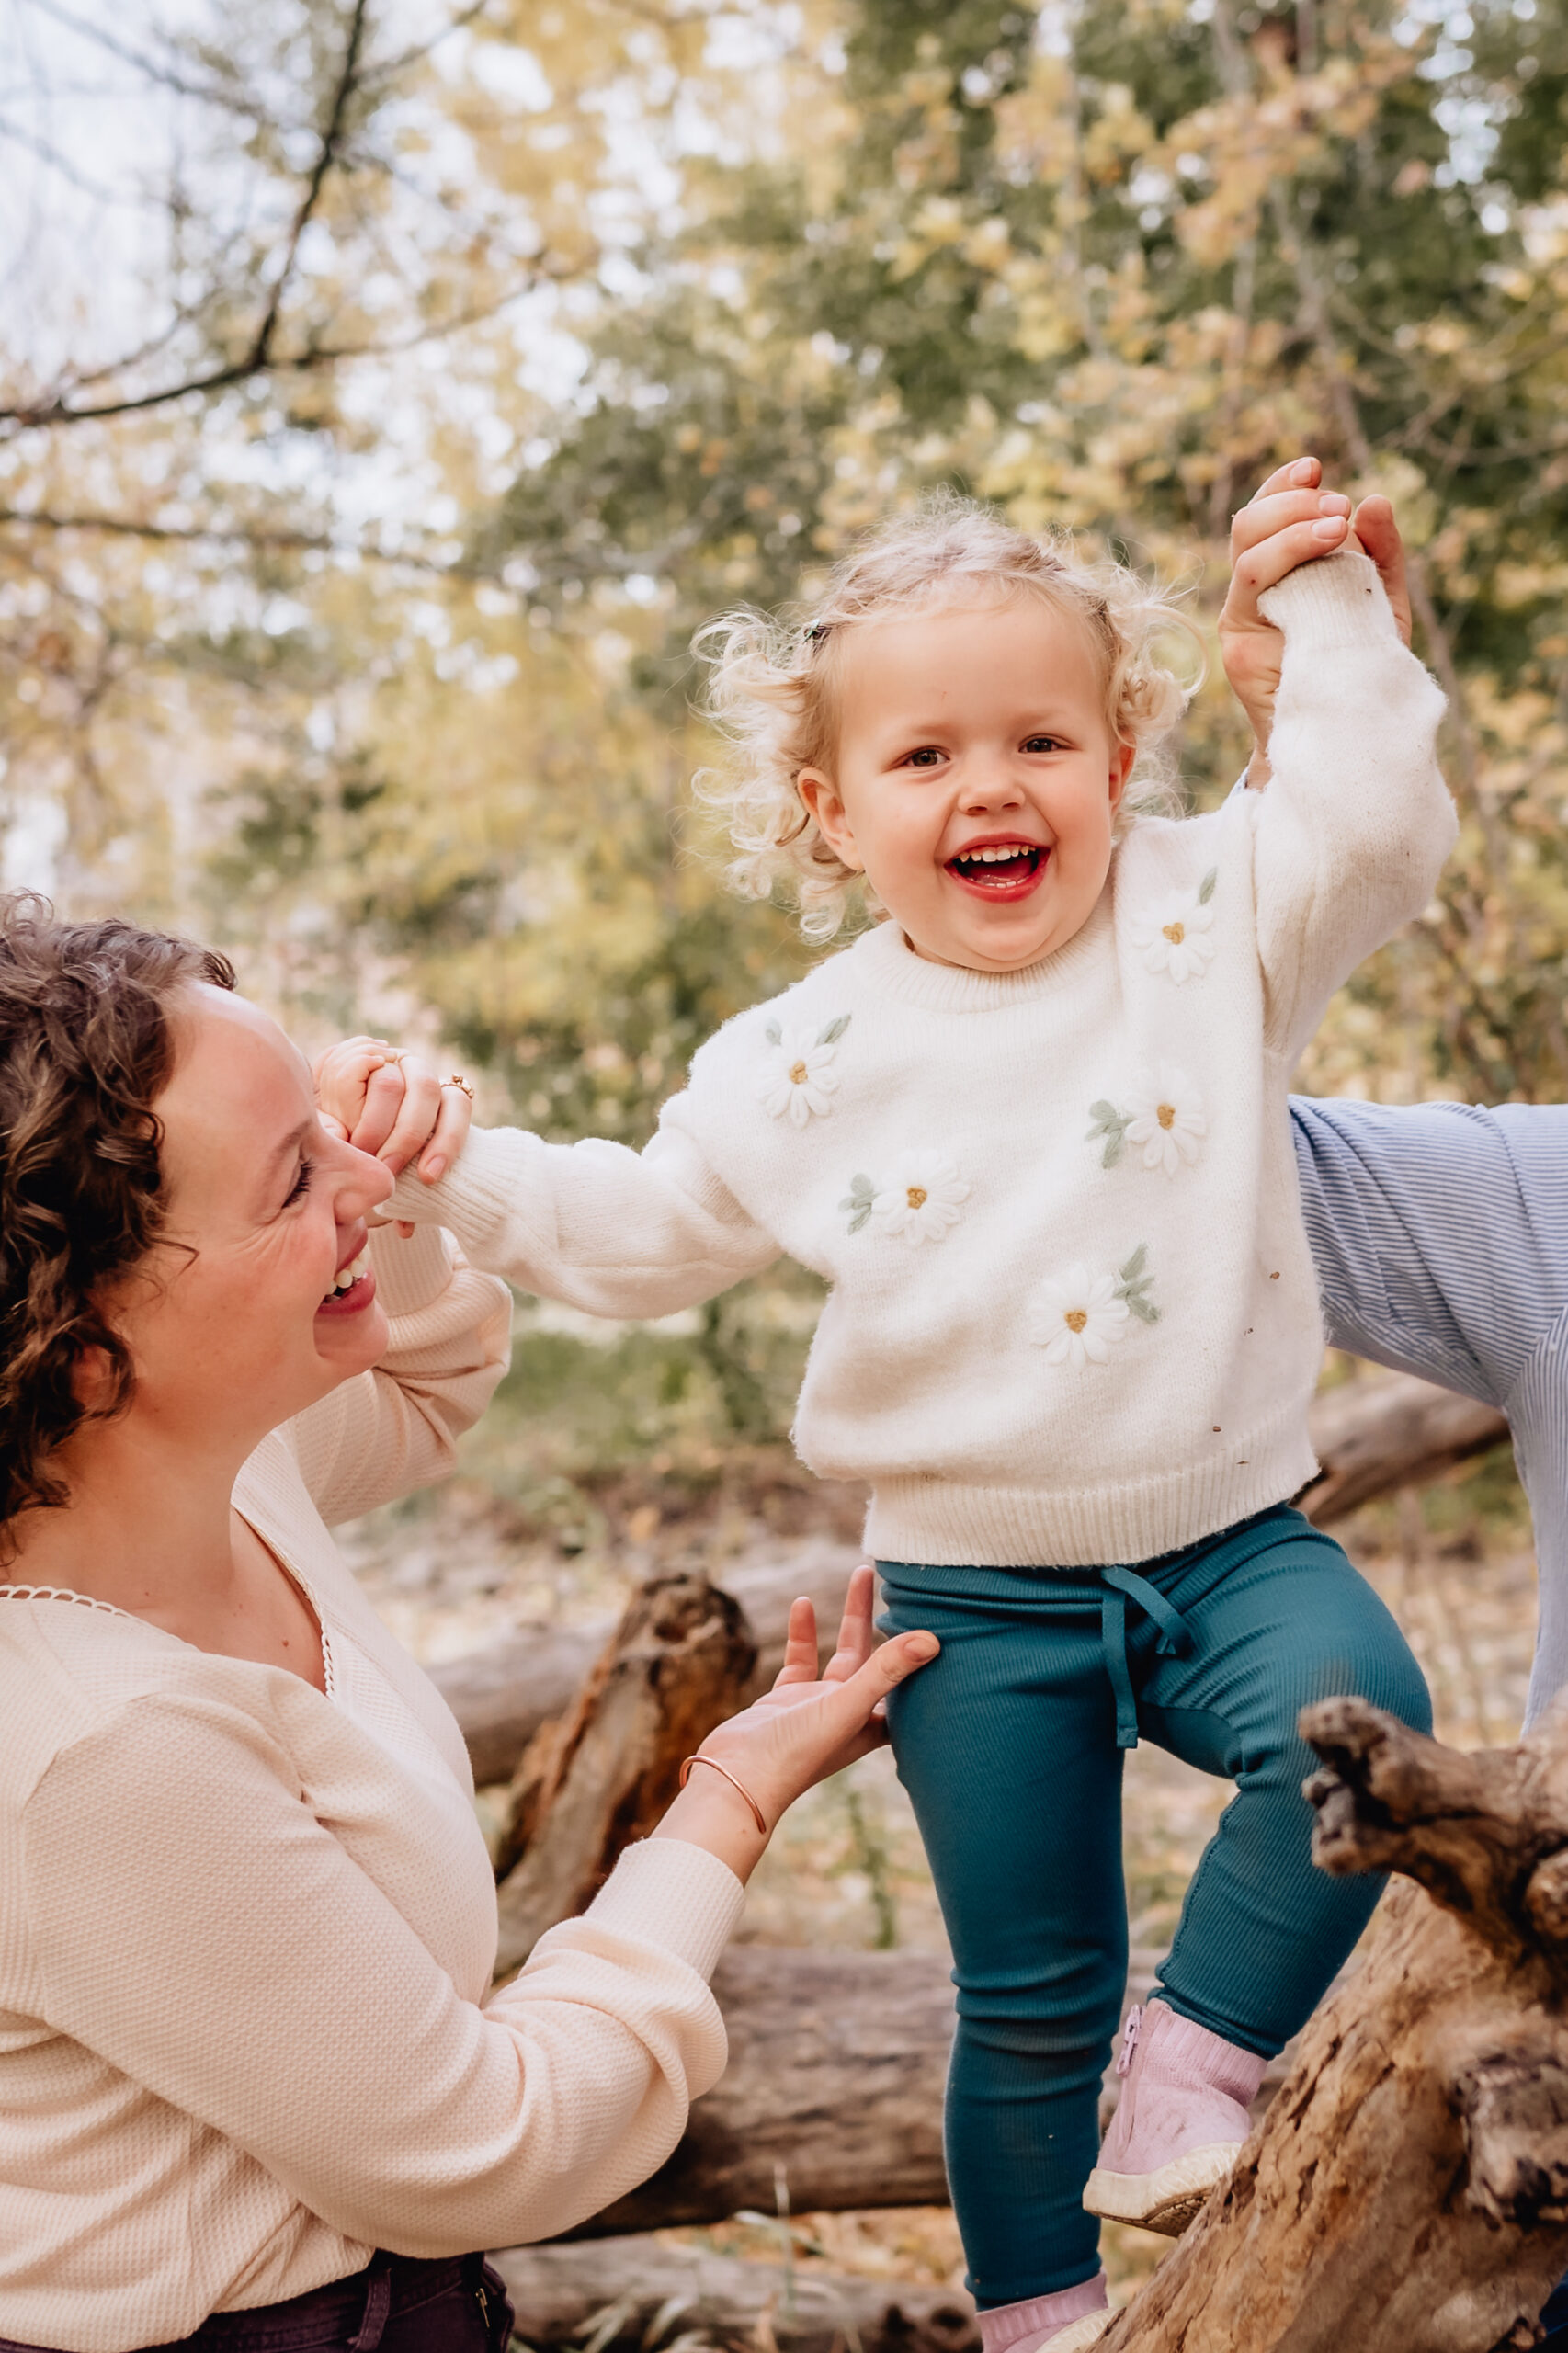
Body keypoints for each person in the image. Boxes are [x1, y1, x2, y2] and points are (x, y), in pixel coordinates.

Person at [317, 461, 1454, 2350]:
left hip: (1237, 1532)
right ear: (829, 814)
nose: (989, 786)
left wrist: (1327, 614)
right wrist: (442, 1165)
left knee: (1362, 1730)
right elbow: (629, 1231)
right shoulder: (798, 1061)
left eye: (1039, 738)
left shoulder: (1209, 919)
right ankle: (1039, 2321)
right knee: (1025, 1995)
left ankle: (1202, 2051)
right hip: (970, 1600)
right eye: (924, 757)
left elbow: (1373, 821)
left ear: (1118, 753)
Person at [0, 898, 939, 2353]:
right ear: (91, 1345)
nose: (362, 1175)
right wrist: (727, 1803)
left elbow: (422, 1382)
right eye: (294, 1174)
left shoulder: (213, 1470)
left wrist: (394, 1203)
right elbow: (494, 2141)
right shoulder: (93, 1752)